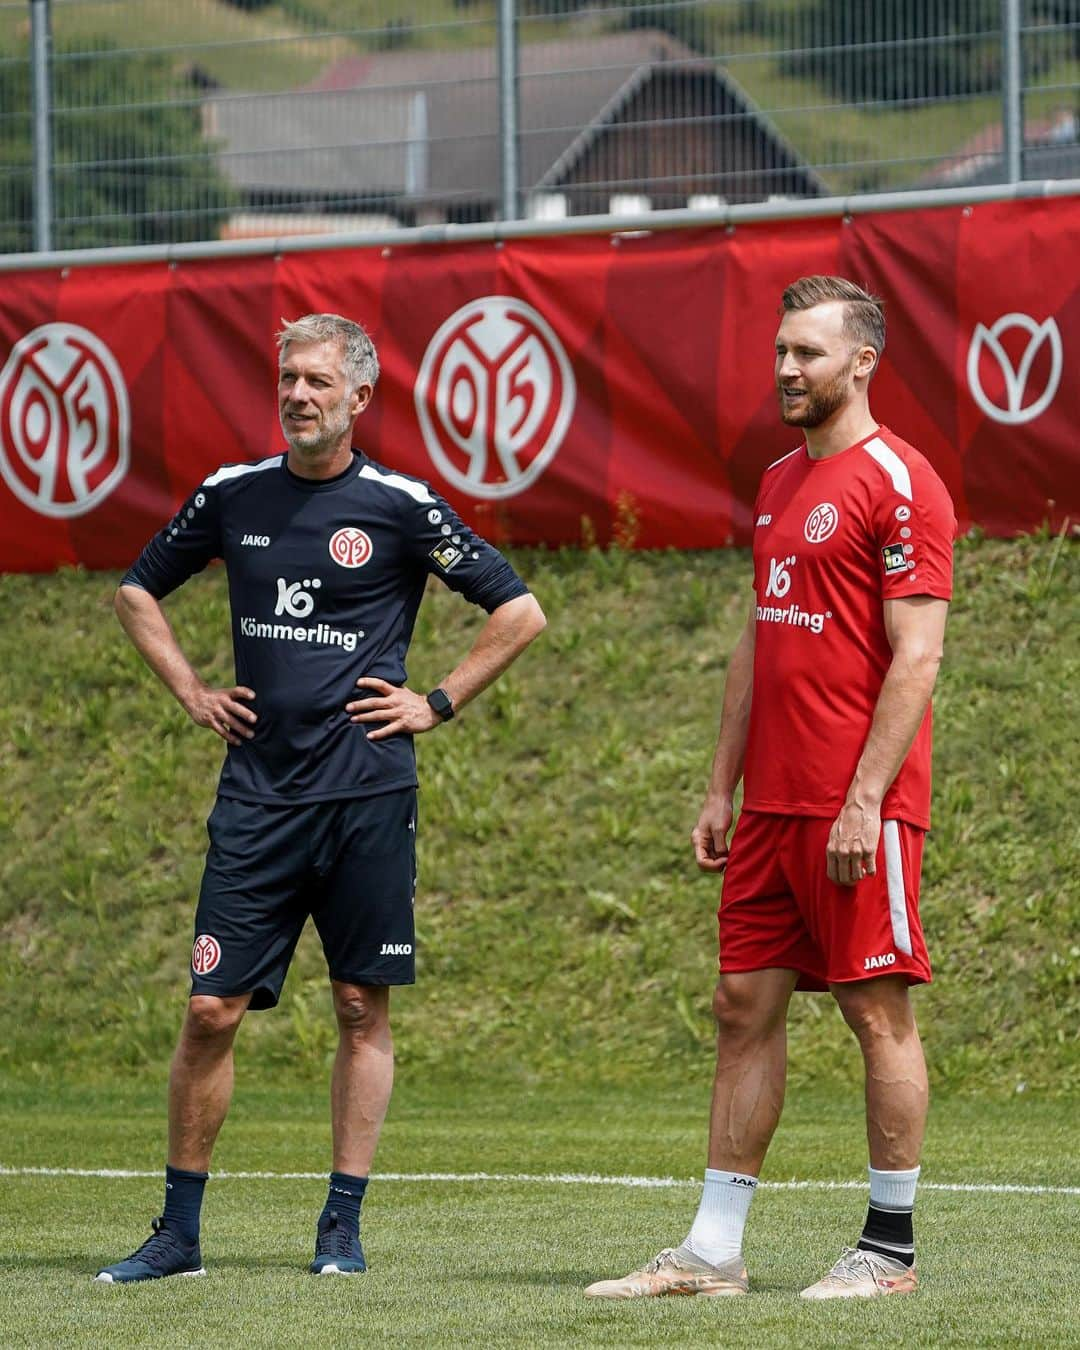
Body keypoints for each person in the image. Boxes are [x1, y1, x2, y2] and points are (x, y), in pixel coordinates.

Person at [96, 312, 546, 1284]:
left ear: (358, 397)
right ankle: (177, 1235)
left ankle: (340, 1229)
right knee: (211, 1010)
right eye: (287, 378)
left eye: (316, 381)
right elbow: (137, 593)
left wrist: (436, 702)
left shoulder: (399, 504)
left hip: (365, 796)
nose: (298, 395)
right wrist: (191, 690)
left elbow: (519, 610)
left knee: (356, 1005)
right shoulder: (232, 494)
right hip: (257, 798)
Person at [585, 276, 956, 1302]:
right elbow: (761, 638)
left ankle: (888, 1253)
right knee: (741, 1005)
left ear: (863, 362)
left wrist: (867, 797)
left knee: (877, 1014)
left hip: (855, 808)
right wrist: (720, 786)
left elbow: (917, 659)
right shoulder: (779, 480)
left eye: (808, 353)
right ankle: (712, 1253)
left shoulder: (903, 482)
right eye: (782, 351)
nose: (787, 369)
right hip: (770, 809)